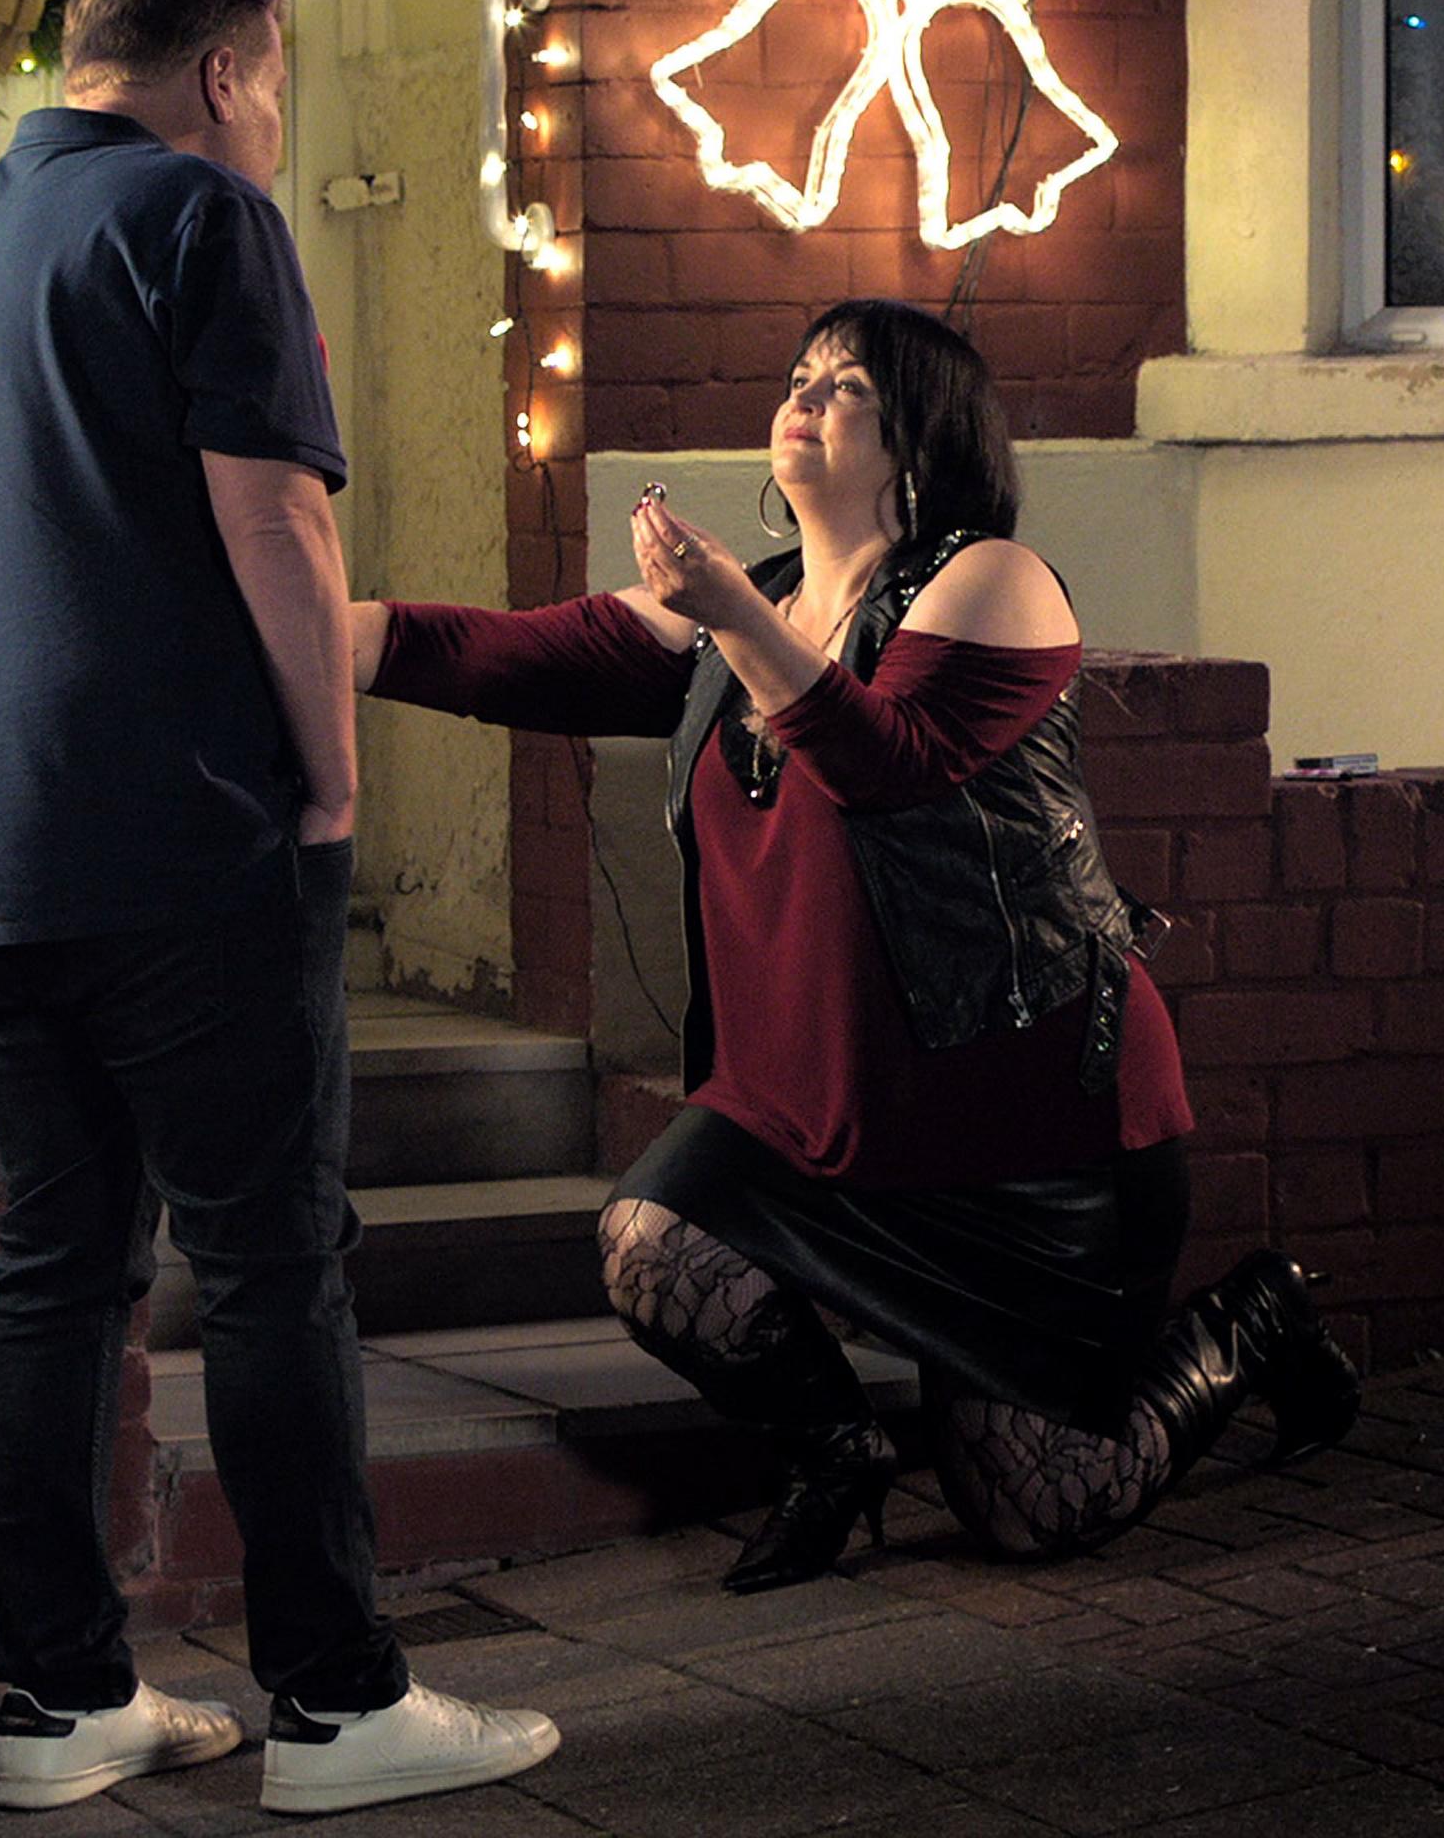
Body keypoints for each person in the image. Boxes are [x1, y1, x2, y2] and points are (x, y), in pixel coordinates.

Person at [0, 0, 558, 1817]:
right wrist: (330, 776)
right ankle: (338, 1706)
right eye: (277, 85)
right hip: (177, 826)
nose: (271, 119)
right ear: (230, 72)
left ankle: (59, 1704)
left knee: (59, 1270)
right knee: (270, 1264)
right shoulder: (197, 220)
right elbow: (270, 515)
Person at [353, 299, 1361, 1590]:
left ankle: (1255, 1320)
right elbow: (515, 657)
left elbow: (882, 764)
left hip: (1029, 1119)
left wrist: (727, 612)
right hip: (827, 1107)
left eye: (847, 387)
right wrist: (338, 634)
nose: (805, 397)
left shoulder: (994, 584)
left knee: (1041, 1512)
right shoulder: (753, 610)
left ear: (921, 441)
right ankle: (833, 1450)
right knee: (655, 1242)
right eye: (799, 376)